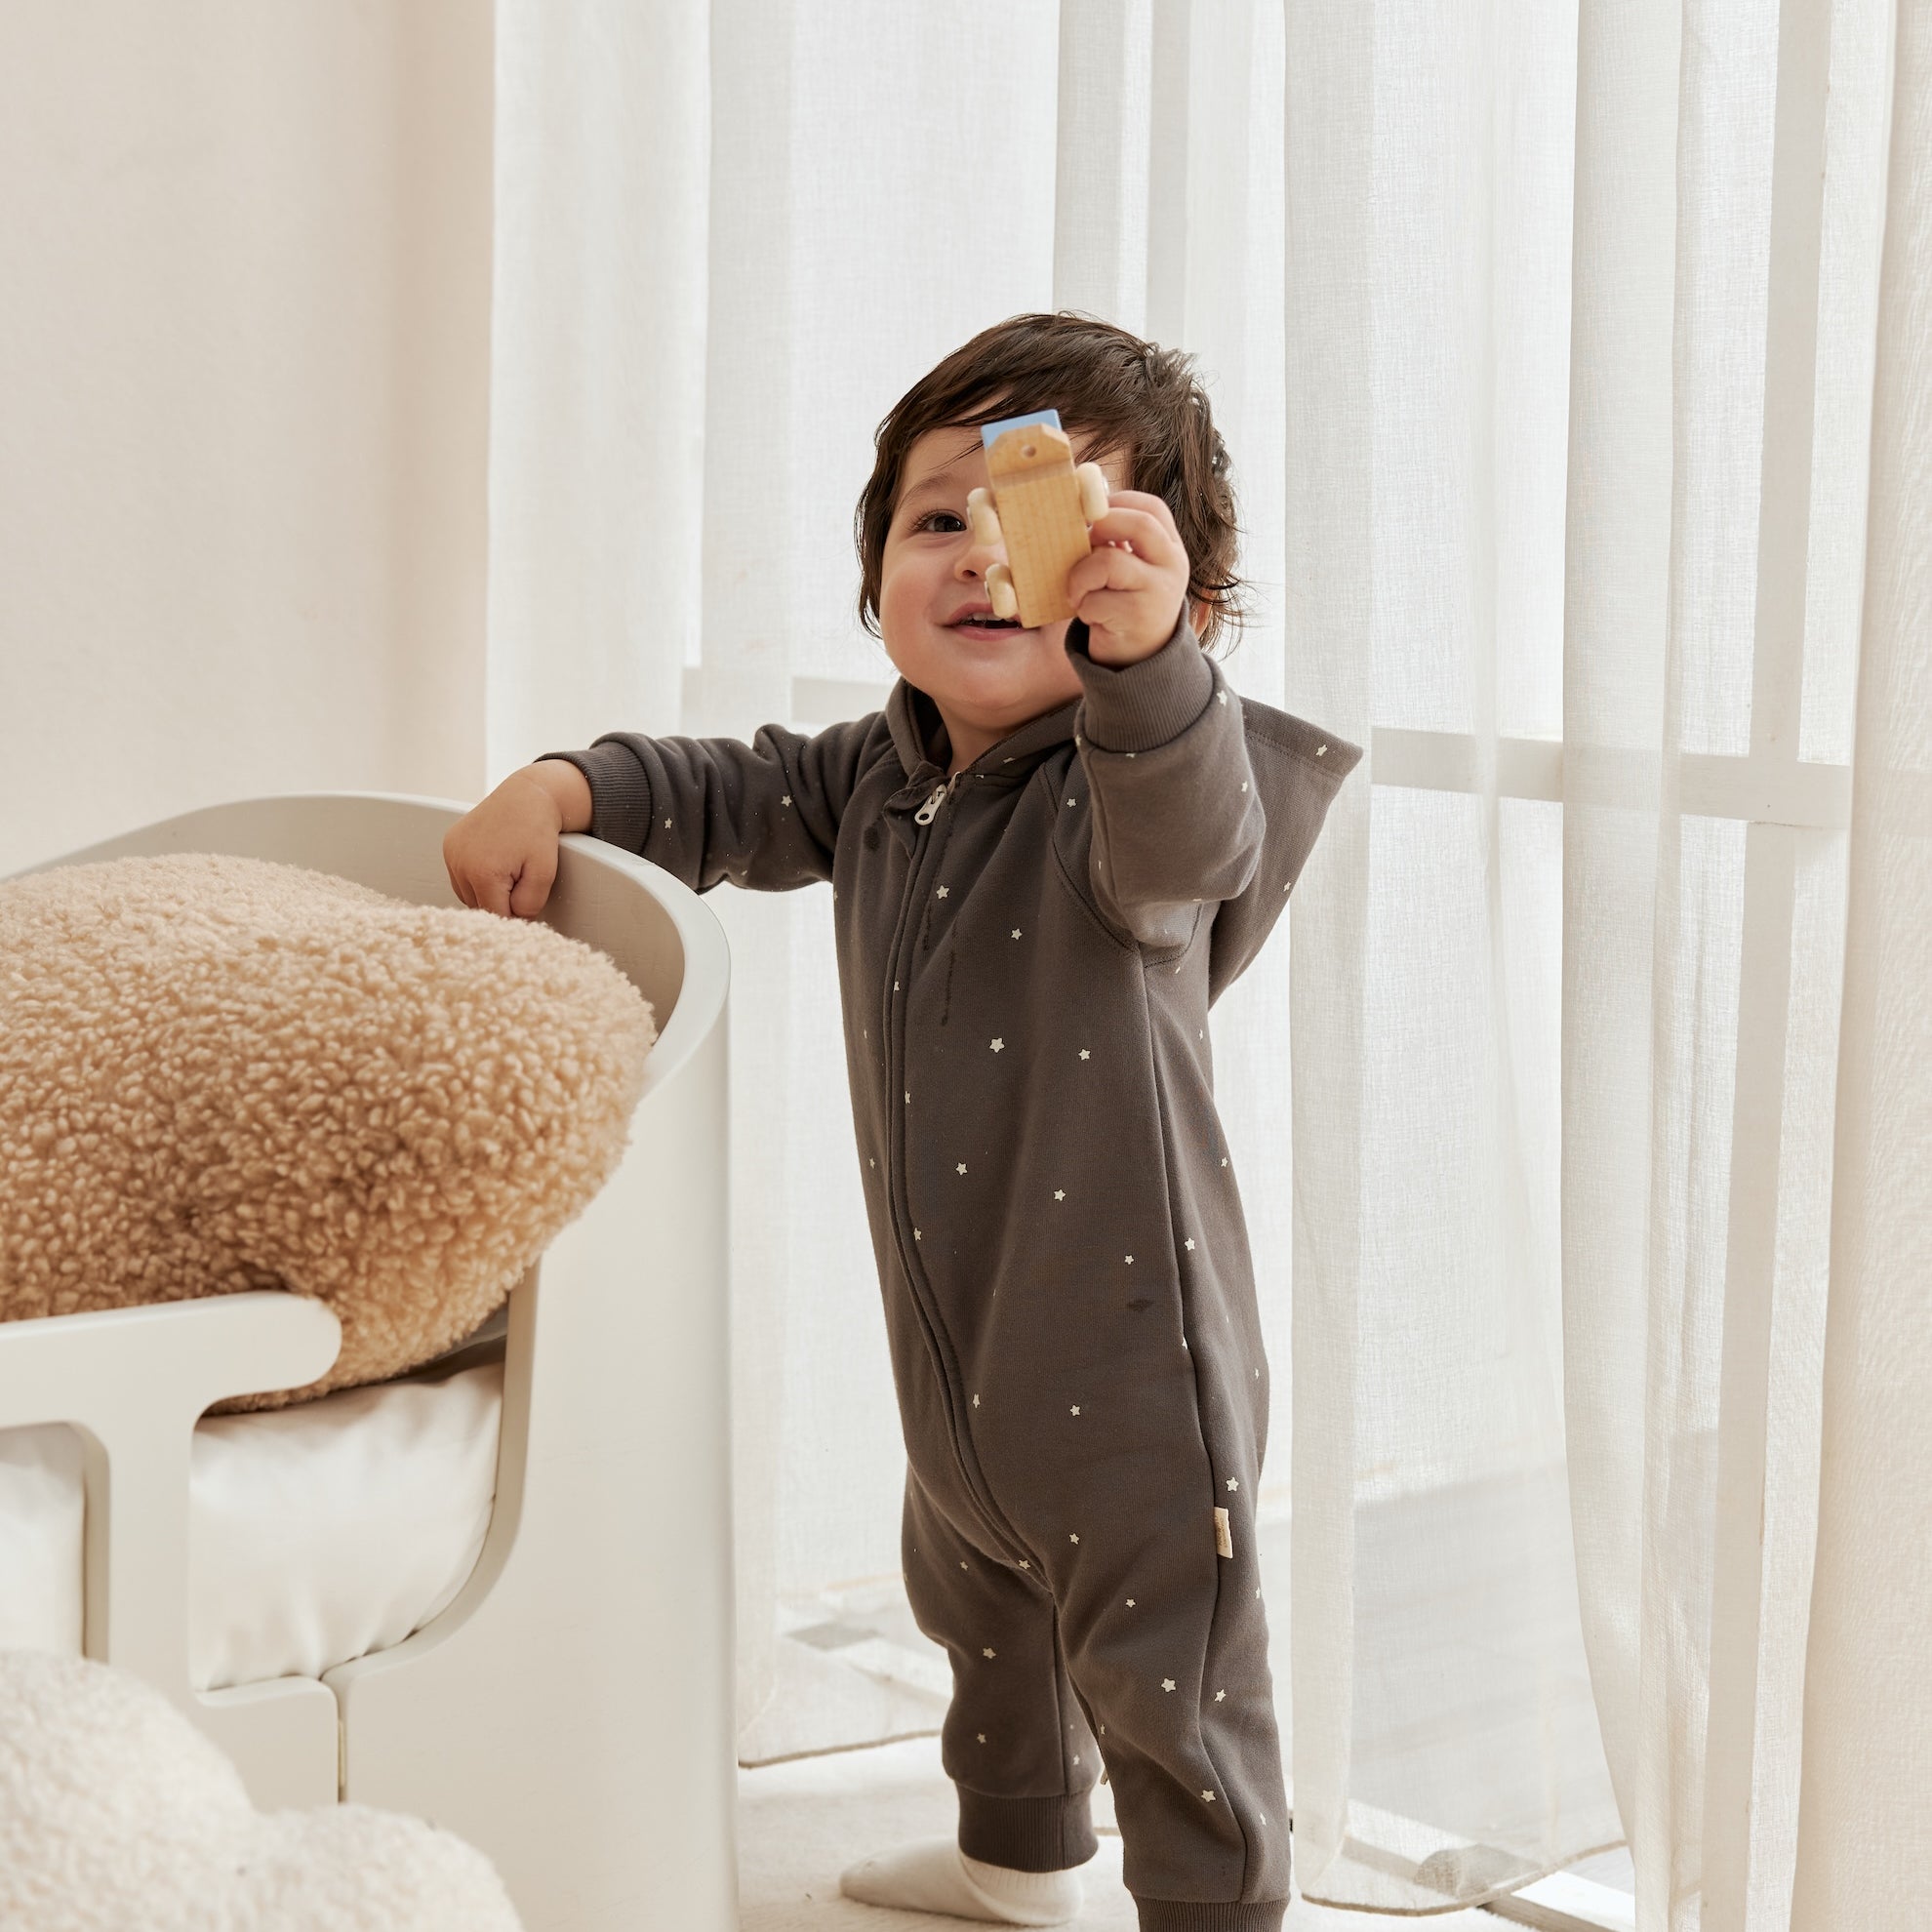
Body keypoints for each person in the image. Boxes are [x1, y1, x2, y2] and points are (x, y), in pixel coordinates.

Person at [443, 311, 1362, 1932]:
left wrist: (1151, 675)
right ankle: (1017, 1858)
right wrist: (568, 785)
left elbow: (1198, 827)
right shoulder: (883, 772)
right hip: (959, 1353)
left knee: (1171, 1691)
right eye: (940, 517)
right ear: (875, 580)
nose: (986, 559)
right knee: (976, 1599)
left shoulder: (1121, 796)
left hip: (1136, 1375)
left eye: (1048, 524)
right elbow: (728, 789)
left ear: (1166, 599)